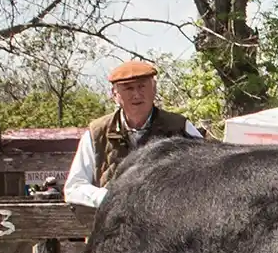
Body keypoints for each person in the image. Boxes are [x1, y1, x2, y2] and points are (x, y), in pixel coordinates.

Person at [64, 59, 204, 208]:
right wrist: (109, 199)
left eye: (142, 86)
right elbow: (74, 187)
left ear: (154, 89)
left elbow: (207, 174)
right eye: (129, 88)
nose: (137, 94)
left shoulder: (180, 127)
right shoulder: (97, 133)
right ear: (115, 94)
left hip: (167, 222)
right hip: (114, 226)